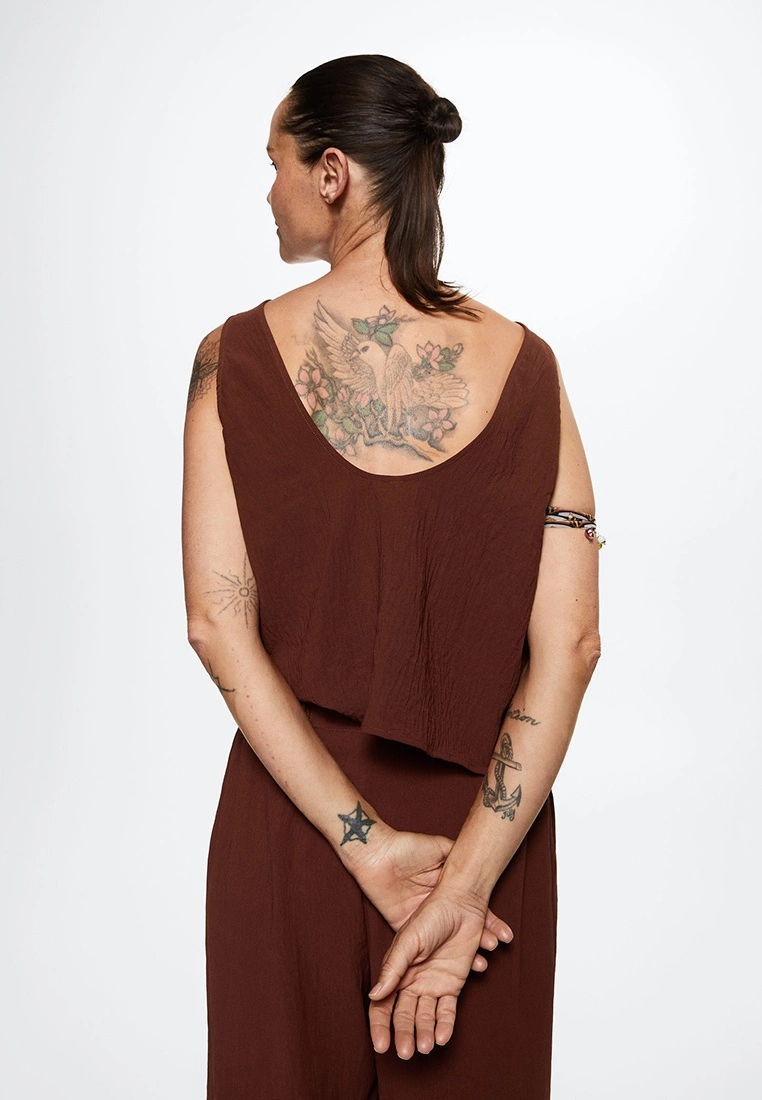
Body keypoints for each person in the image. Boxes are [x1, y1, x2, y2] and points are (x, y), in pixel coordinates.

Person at [182, 53, 602, 1099]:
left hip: (293, 826)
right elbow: (571, 645)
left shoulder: (232, 358)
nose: (267, 191)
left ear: (331, 173)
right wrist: (461, 889)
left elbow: (217, 625)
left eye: (275, 162)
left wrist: (365, 846)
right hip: (483, 845)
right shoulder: (528, 365)